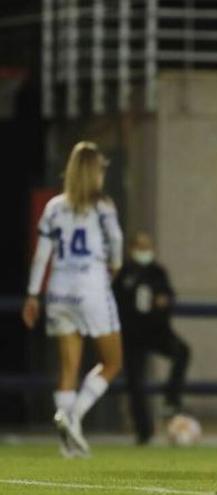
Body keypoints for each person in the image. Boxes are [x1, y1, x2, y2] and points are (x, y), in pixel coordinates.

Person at [21, 141, 125, 457]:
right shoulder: (102, 205)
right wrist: (116, 265)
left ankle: (68, 445)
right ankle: (73, 415)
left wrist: (32, 295)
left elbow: (42, 256)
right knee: (112, 362)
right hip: (91, 287)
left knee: (68, 367)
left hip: (58, 289)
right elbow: (116, 241)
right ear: (95, 172)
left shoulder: (54, 207)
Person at [113, 232, 190, 445]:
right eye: (140, 246)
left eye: (147, 246)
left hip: (156, 331)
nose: (144, 251)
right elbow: (116, 302)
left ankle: (171, 399)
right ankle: (143, 431)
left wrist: (165, 301)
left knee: (181, 351)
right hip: (132, 334)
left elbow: (169, 296)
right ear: (131, 249)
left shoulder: (158, 272)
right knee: (135, 382)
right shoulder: (124, 274)